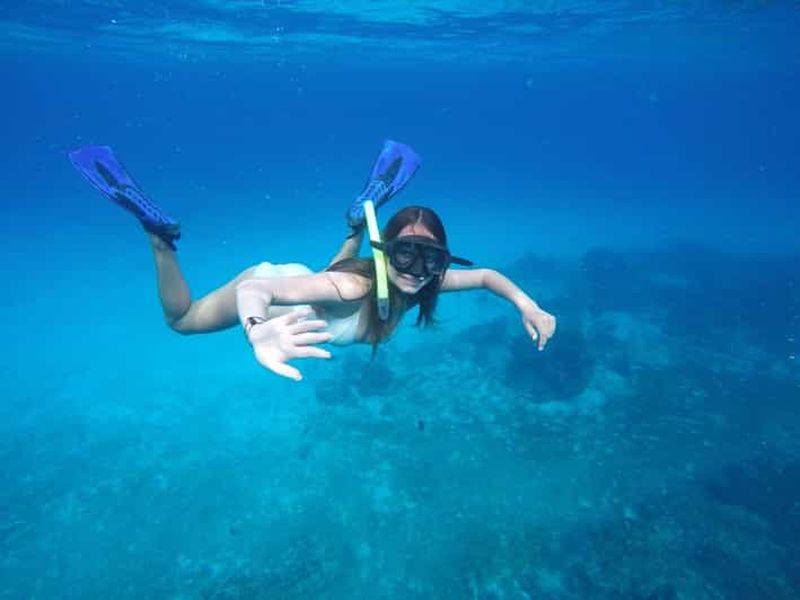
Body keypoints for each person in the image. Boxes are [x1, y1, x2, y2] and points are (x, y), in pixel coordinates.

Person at [69, 142, 556, 382]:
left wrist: (527, 306)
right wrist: (258, 329)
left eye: (428, 258)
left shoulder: (424, 282)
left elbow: (489, 276)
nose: (414, 269)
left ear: (440, 262)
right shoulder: (359, 288)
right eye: (404, 253)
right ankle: (160, 239)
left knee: (336, 280)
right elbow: (252, 293)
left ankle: (354, 227)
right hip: (282, 289)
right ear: (386, 253)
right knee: (181, 320)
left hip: (318, 283)